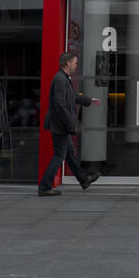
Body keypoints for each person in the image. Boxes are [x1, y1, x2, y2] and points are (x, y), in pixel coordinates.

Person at [38, 51, 99, 196]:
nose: (76, 65)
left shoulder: (64, 78)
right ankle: (45, 187)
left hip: (61, 124)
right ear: (68, 63)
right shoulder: (60, 79)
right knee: (60, 154)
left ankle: (83, 180)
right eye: (75, 62)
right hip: (60, 125)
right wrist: (70, 123)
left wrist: (89, 101)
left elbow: (72, 97)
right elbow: (60, 105)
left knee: (70, 153)